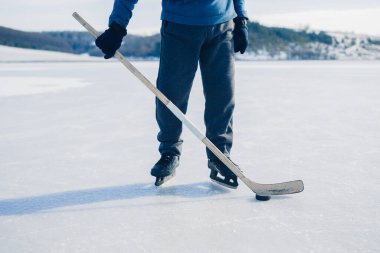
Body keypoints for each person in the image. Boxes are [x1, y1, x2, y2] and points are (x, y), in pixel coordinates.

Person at [95, 0, 249, 188]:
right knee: (171, 95)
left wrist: (241, 19)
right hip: (179, 27)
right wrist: (117, 26)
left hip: (222, 27)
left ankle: (220, 154)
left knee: (222, 95)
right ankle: (170, 152)